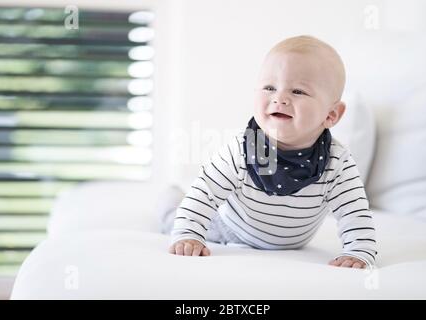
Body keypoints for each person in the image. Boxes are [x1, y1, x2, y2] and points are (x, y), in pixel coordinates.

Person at [158, 35, 377, 268]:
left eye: (299, 91)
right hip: (232, 229)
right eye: (270, 87)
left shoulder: (336, 162)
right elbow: (204, 194)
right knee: (174, 219)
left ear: (331, 115)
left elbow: (354, 211)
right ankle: (170, 199)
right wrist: (188, 235)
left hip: (295, 242)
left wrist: (359, 251)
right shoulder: (241, 150)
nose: (280, 97)